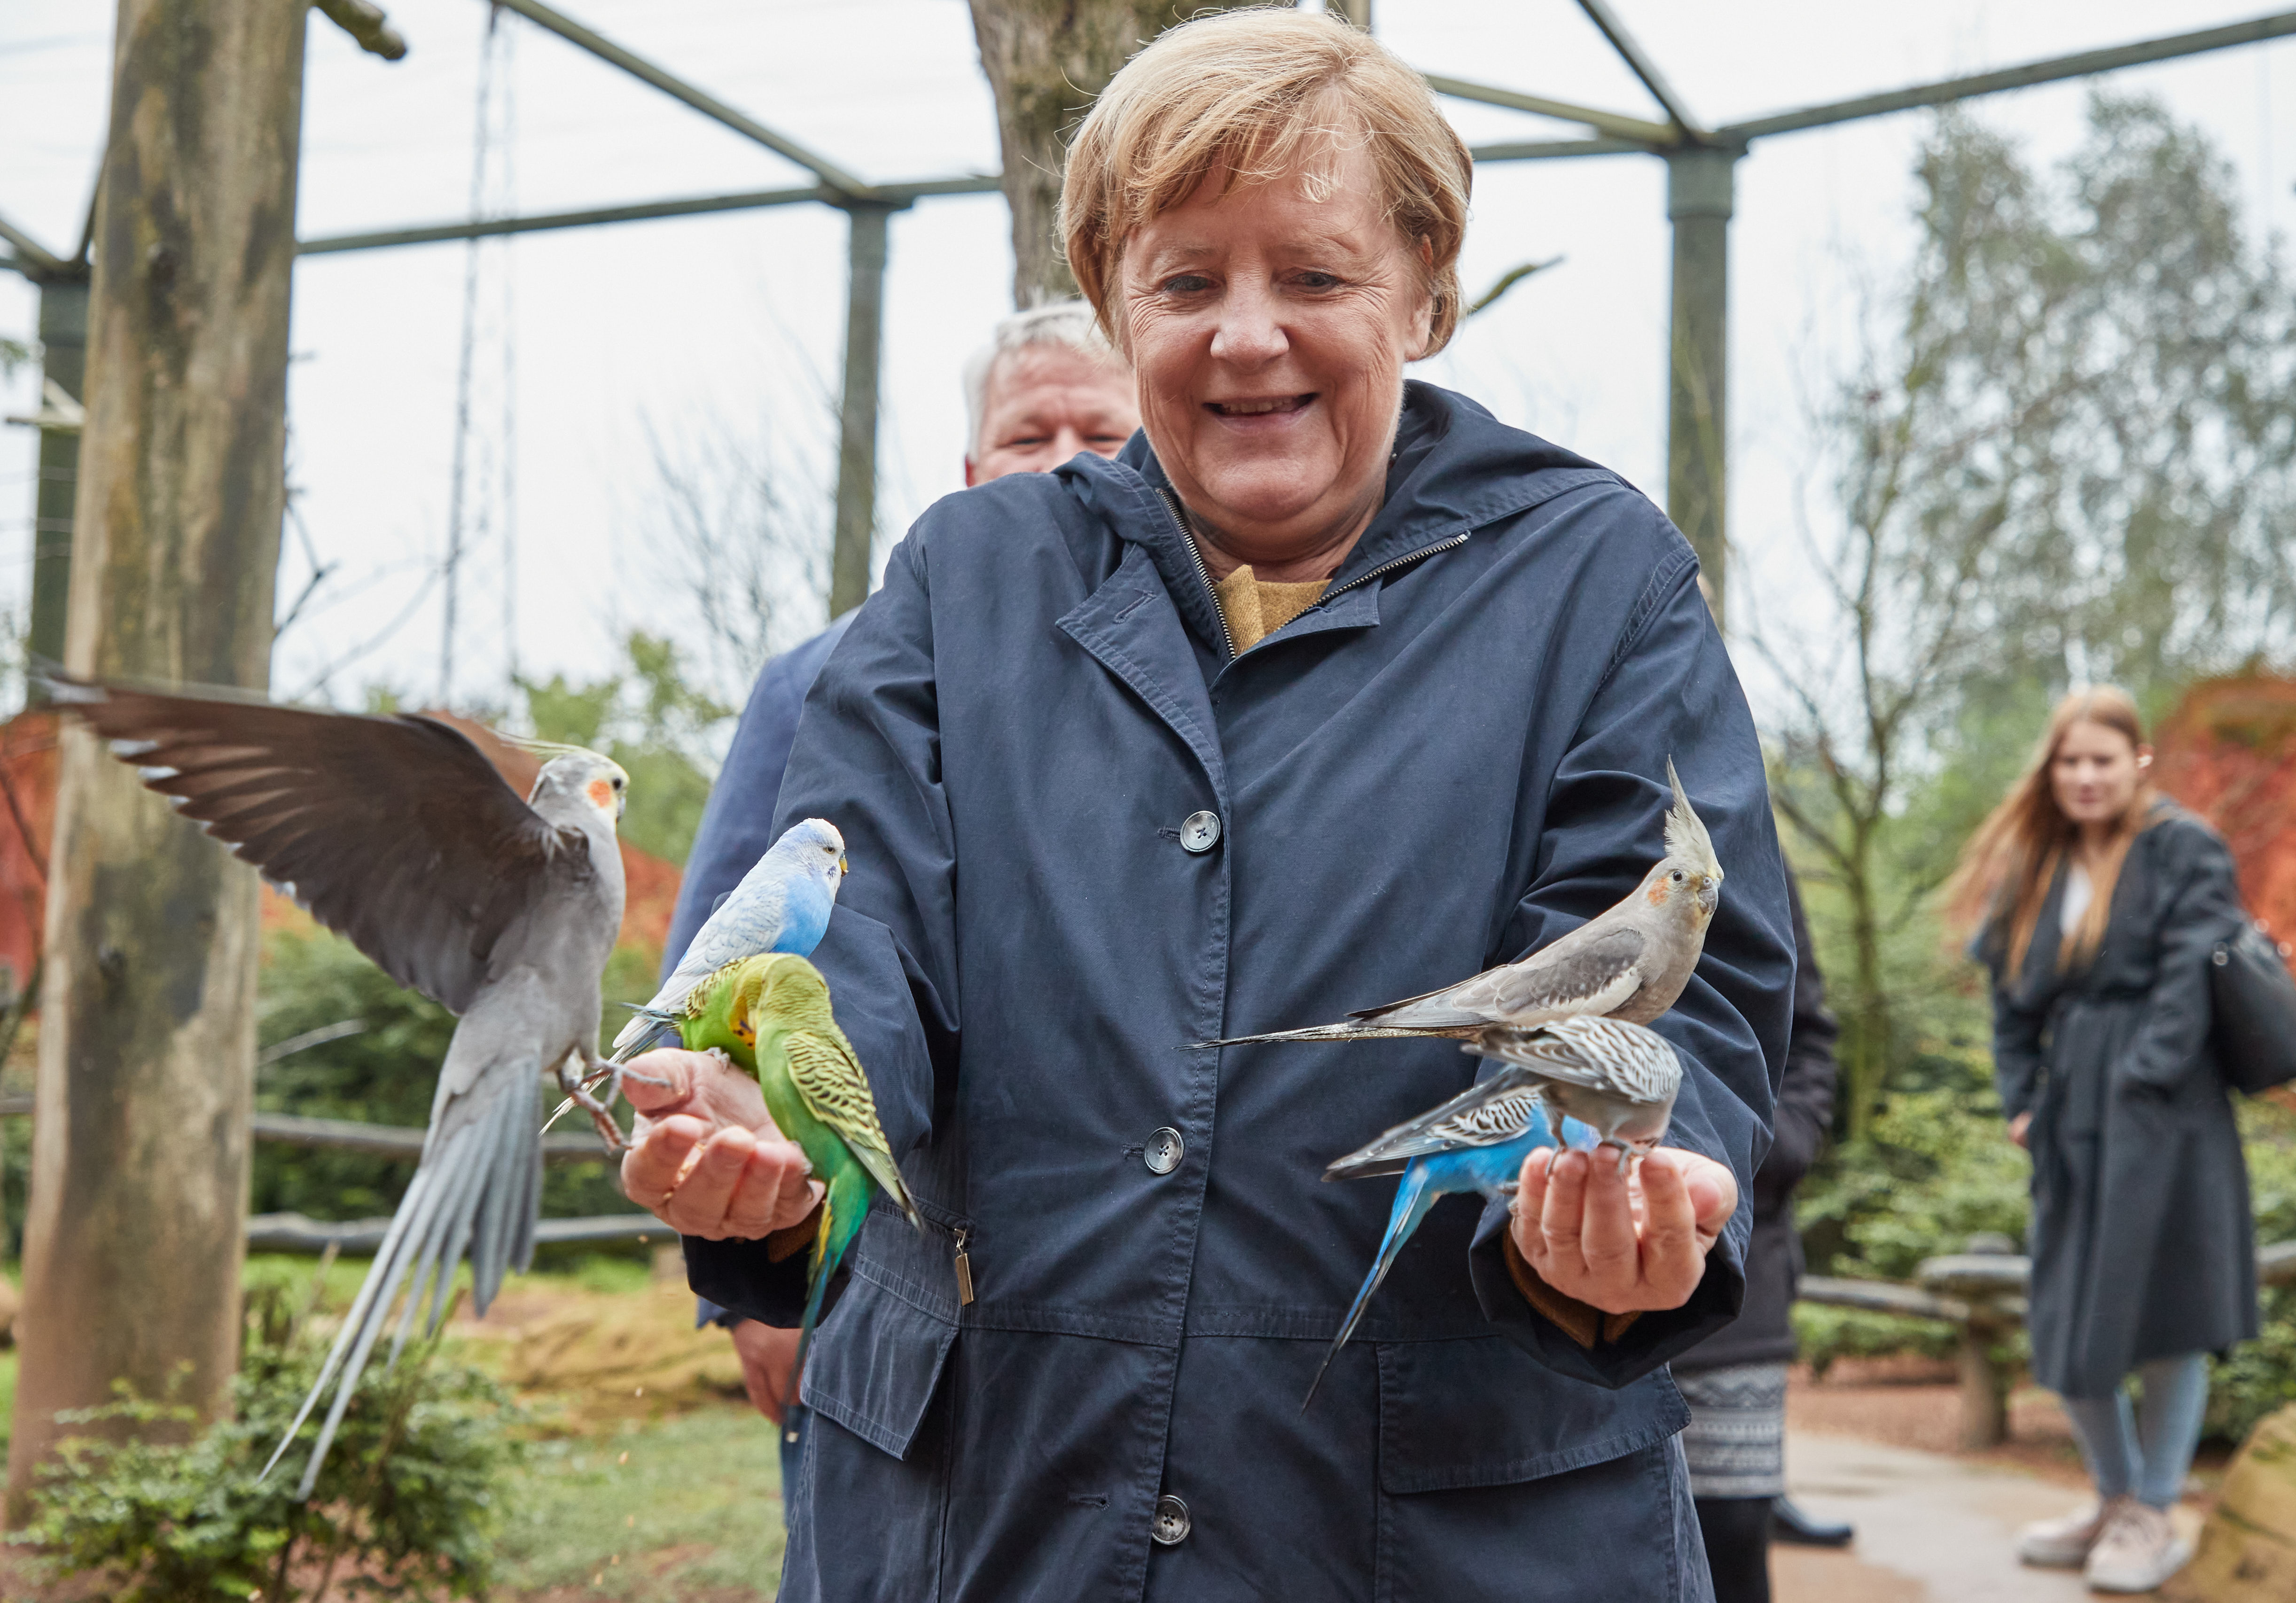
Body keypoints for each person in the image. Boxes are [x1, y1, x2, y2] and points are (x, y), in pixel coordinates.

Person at [621, 12, 1793, 1595]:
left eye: (1315, 276)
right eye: (1187, 281)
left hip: (1433, 1527)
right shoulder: (966, 583)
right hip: (998, 1509)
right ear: (1117, 299)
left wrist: (1605, 1205)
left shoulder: (1596, 583)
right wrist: (778, 1116)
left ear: (1427, 290)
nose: (1248, 336)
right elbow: (858, 915)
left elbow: (1672, 966)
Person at [668, 300, 1140, 1507]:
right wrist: (746, 1288)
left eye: (1101, 430)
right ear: (972, 469)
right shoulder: (828, 674)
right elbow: (731, 945)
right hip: (872, 1249)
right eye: (1029, 435)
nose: (1066, 463)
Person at [1946, 686, 2256, 1595]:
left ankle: (2153, 1510)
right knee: (2064, 1316)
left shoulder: (2182, 847)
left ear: (2139, 763)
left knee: (2168, 1316)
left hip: (2169, 1112)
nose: (2085, 777)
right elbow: (2009, 1000)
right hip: (2072, 1113)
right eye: (2070, 761)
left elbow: (2189, 980)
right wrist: (2020, 1099)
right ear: (2052, 769)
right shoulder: (2036, 861)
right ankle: (2114, 1497)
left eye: (2103, 760)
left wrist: (2138, 1085)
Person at [1671, 861, 1842, 1603]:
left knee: (1733, 1533)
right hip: (1567, 1238)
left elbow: (1808, 1034)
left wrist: (1776, 1147)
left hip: (1741, 1241)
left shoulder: (1749, 845)